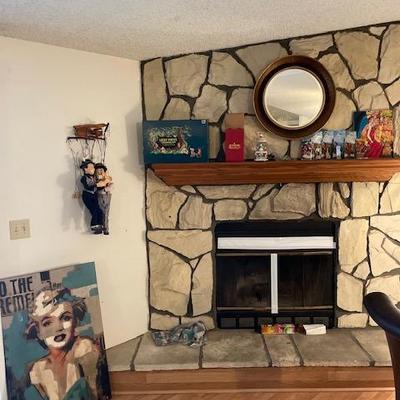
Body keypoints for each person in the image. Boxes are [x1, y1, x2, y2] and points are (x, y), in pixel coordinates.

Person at [26, 288, 101, 399]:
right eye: (47, 323)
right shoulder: (37, 370)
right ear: (38, 333)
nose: (58, 328)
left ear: (75, 322)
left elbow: (95, 395)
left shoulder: (84, 349)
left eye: (66, 318)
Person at [80, 160, 103, 234]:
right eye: (91, 168)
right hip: (87, 196)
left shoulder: (94, 178)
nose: (93, 169)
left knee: (99, 210)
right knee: (94, 210)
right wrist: (96, 185)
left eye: (93, 168)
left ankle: (100, 224)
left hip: (94, 195)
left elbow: (98, 187)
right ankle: (94, 225)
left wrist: (103, 185)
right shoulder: (84, 178)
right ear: (85, 169)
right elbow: (87, 187)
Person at [94, 163, 113, 235]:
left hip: (106, 195)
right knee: (102, 212)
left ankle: (105, 228)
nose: (100, 172)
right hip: (100, 194)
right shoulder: (96, 180)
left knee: (106, 213)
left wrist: (106, 187)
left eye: (101, 170)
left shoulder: (107, 178)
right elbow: (97, 185)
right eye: (98, 170)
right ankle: (104, 228)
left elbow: (111, 185)